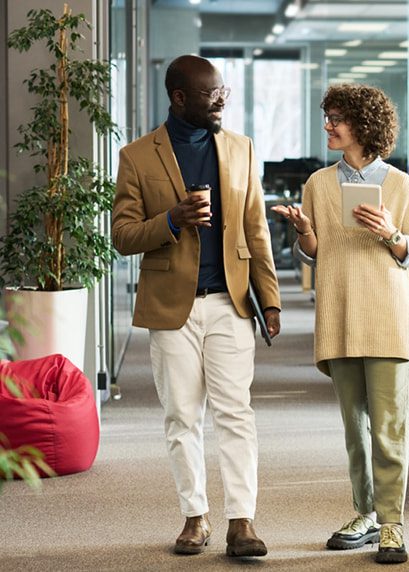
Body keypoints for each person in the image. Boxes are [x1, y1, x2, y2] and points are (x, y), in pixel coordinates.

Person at [111, 55, 281, 558]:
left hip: (231, 302)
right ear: (180, 98)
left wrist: (270, 300)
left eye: (223, 91)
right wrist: (172, 219)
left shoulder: (241, 148)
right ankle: (195, 516)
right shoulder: (137, 156)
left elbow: (256, 229)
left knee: (236, 413)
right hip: (171, 308)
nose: (221, 100)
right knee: (182, 416)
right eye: (211, 94)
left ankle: (242, 521)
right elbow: (122, 235)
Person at [271, 83, 409, 564]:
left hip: (386, 318)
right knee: (355, 430)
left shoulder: (400, 185)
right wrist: (305, 232)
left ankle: (392, 523)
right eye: (328, 117)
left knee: (388, 429)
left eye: (336, 118)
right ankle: (365, 513)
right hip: (340, 314)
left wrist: (391, 233)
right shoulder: (318, 184)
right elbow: (315, 254)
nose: (328, 126)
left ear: (363, 125)